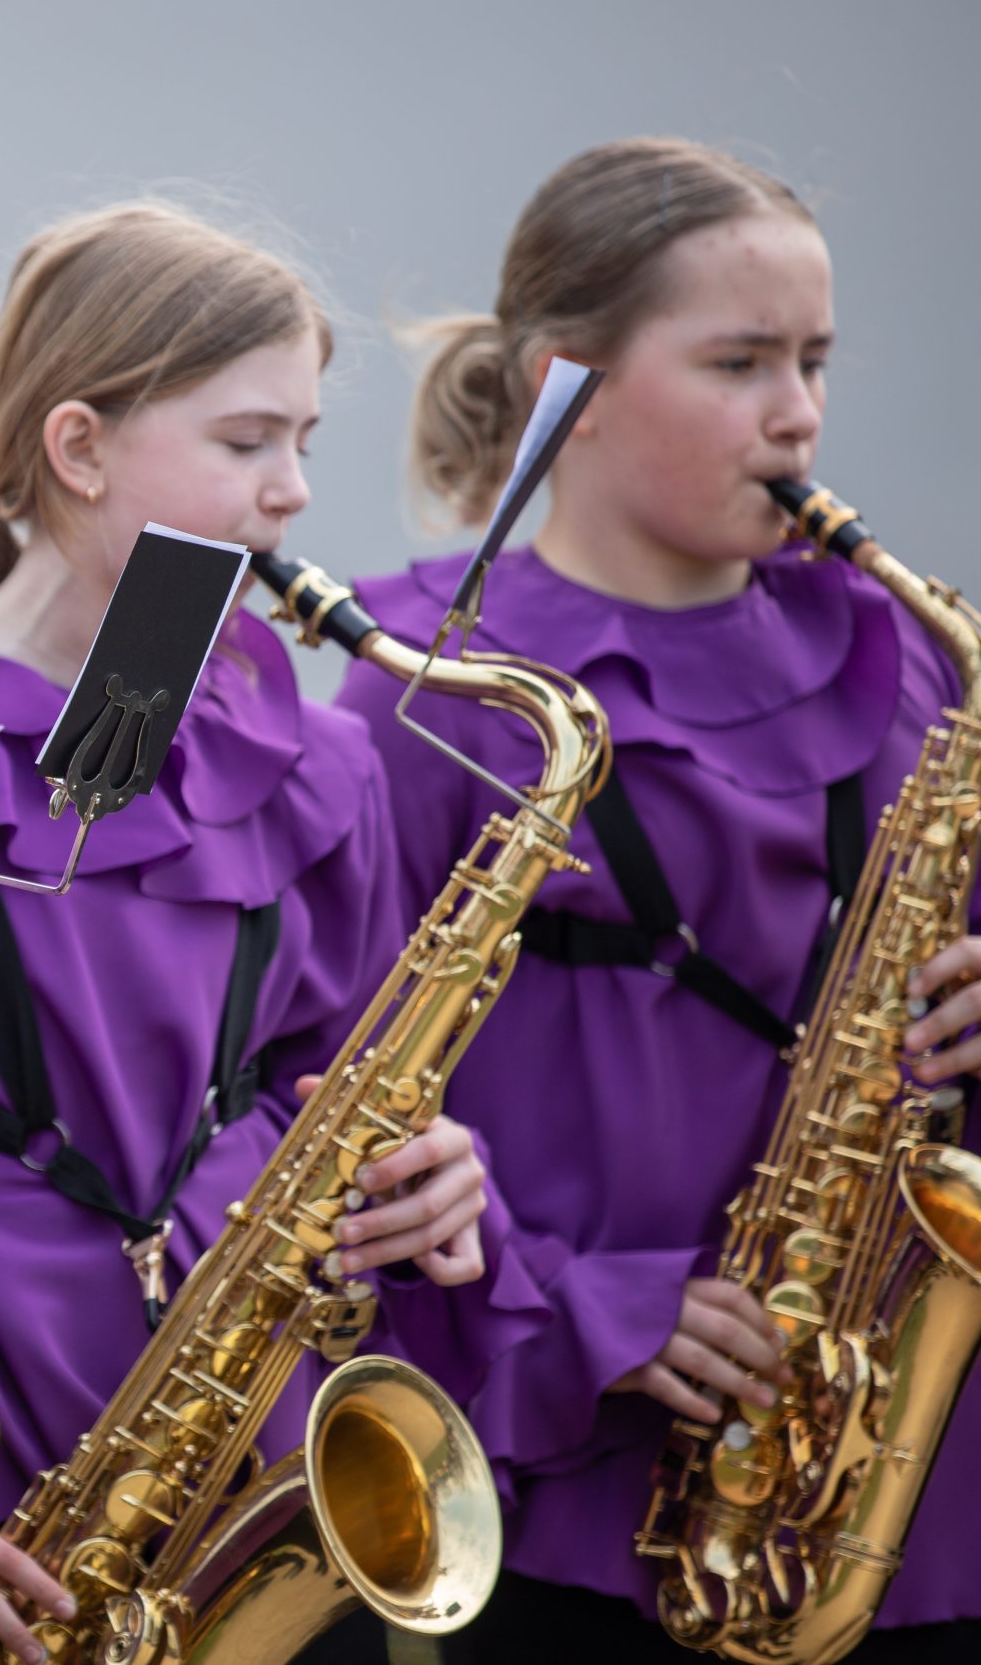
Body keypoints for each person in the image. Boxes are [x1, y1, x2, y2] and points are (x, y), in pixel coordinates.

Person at [0, 201, 493, 1665]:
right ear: (80, 448)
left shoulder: (321, 762)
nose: (293, 491)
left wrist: (432, 1179)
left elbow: (337, 1081)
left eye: (304, 440)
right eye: (246, 441)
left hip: (247, 1445)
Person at [340, 136, 981, 1662]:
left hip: (905, 1479)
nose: (798, 412)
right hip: (584, 1479)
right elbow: (344, 1109)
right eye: (740, 362)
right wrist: (587, 1310)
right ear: (567, 384)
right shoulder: (427, 690)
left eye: (813, 360)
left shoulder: (913, 659)